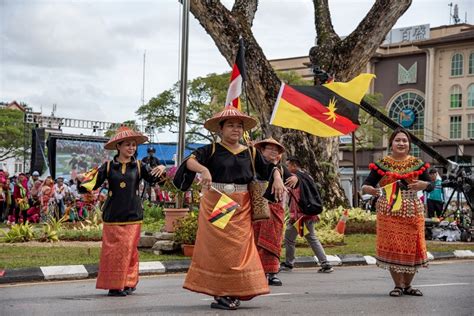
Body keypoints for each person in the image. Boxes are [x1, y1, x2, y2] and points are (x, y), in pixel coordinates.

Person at [175, 106, 286, 310]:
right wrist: (204, 169)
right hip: (218, 201)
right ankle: (221, 293)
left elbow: (270, 168)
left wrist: (278, 177)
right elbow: (189, 162)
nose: (236, 129)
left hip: (243, 203)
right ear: (221, 129)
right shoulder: (211, 150)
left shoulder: (251, 151)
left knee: (240, 249)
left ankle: (236, 289)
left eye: (239, 126)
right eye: (231, 125)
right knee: (220, 249)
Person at [77, 126, 165, 297]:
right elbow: (92, 183)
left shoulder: (140, 166)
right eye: (127, 145)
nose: (131, 148)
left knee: (129, 250)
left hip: (133, 214)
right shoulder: (108, 166)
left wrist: (161, 168)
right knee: (112, 252)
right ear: (118, 146)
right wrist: (82, 179)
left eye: (134, 145)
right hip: (112, 215)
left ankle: (128, 282)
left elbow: (156, 179)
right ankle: (115, 285)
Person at [361, 128, 433, 297]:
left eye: (405, 141)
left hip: (412, 210)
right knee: (394, 246)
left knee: (413, 247)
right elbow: (366, 184)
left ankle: (408, 285)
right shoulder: (382, 164)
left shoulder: (418, 164)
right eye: (398, 140)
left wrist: (424, 185)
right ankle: (398, 285)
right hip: (389, 211)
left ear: (409, 145)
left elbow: (431, 185)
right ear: (391, 144)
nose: (401, 143)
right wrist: (369, 189)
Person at [280, 157, 334, 273]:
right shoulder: (307, 176)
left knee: (292, 239)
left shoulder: (295, 178)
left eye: (288, 165)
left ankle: (289, 264)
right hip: (308, 214)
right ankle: (325, 263)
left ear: (294, 166)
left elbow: (297, 199)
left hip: (300, 217)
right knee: (307, 238)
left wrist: (294, 216)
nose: (287, 168)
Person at [253, 137, 293, 286]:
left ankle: (272, 272)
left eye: (276, 150)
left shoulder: (282, 169)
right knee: (255, 242)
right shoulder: (254, 165)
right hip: (257, 210)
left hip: (275, 210)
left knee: (274, 242)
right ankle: (256, 272)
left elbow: (293, 180)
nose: (273, 152)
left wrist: (295, 179)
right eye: (270, 148)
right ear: (262, 150)